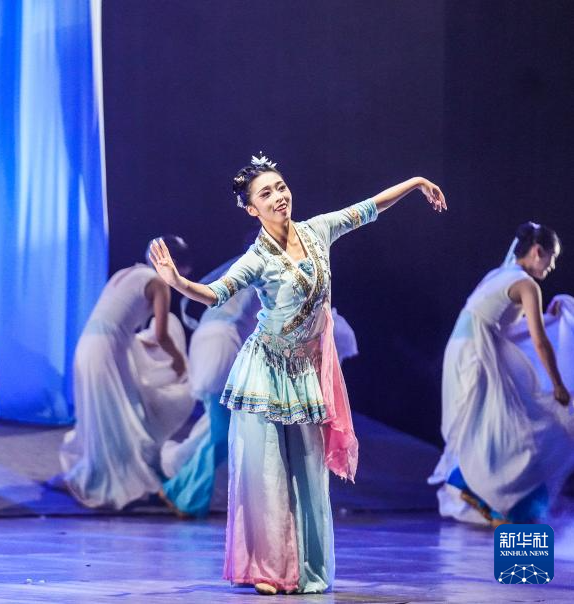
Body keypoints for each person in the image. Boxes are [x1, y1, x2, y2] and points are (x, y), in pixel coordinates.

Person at [149, 153, 446, 594]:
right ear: (252, 209)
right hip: (265, 370)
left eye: (281, 186)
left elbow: (369, 208)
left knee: (308, 470)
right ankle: (269, 569)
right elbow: (215, 294)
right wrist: (177, 282)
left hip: (304, 374)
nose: (278, 196)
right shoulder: (256, 258)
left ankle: (306, 567)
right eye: (266, 193)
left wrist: (417, 181)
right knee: (266, 471)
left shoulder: (318, 230)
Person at [159, 256, 359, 519]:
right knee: (222, 433)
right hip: (224, 346)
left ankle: (180, 490)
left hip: (209, 342)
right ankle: (182, 493)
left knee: (221, 429)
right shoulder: (267, 274)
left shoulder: (249, 272)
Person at [429, 222, 572, 526]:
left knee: (490, 424)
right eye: (552, 258)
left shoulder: (500, 274)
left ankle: (473, 482)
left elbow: (510, 327)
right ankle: (477, 484)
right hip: (476, 355)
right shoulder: (527, 285)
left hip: (461, 348)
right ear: (537, 251)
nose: (552, 266)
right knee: (509, 423)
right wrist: (558, 384)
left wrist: (549, 316)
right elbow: (538, 341)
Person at [58, 236, 194, 510]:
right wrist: (179, 359)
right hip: (108, 351)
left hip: (87, 347)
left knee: (105, 415)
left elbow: (117, 319)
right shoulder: (157, 283)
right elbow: (161, 334)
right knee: (119, 416)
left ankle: (99, 471)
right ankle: (117, 478)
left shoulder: (126, 274)